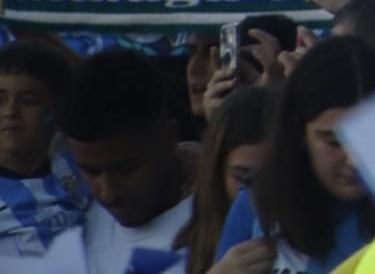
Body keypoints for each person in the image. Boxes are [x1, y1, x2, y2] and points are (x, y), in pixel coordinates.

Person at [217, 38, 375, 274]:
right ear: (298, 131)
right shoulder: (258, 202)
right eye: (333, 141)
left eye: (369, 139)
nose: (354, 159)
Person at [61, 50, 194, 274]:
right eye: (91, 171)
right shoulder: (70, 210)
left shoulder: (222, 230)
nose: (108, 192)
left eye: (126, 169)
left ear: (170, 138)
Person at [0, 42, 86, 261]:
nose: (10, 111)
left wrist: (187, 153)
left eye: (28, 101)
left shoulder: (82, 167)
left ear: (58, 113)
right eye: (0, 100)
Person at [185, 86, 274, 274]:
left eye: (273, 176)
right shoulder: (183, 240)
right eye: (243, 178)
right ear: (216, 174)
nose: (257, 193)